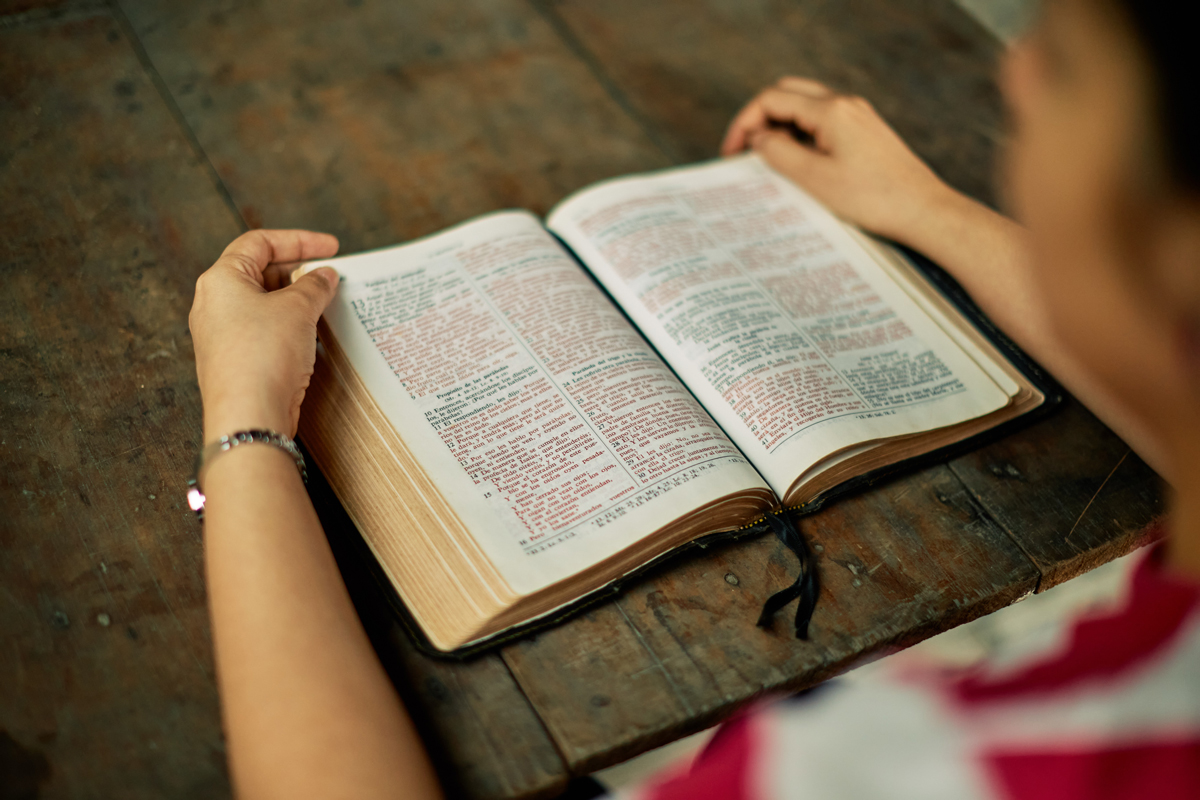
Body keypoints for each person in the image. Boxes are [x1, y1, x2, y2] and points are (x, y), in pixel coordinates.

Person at [186, 0, 1200, 796]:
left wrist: (245, 419)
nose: (1014, 69)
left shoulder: (882, 768)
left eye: (1065, 58)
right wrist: (918, 205)